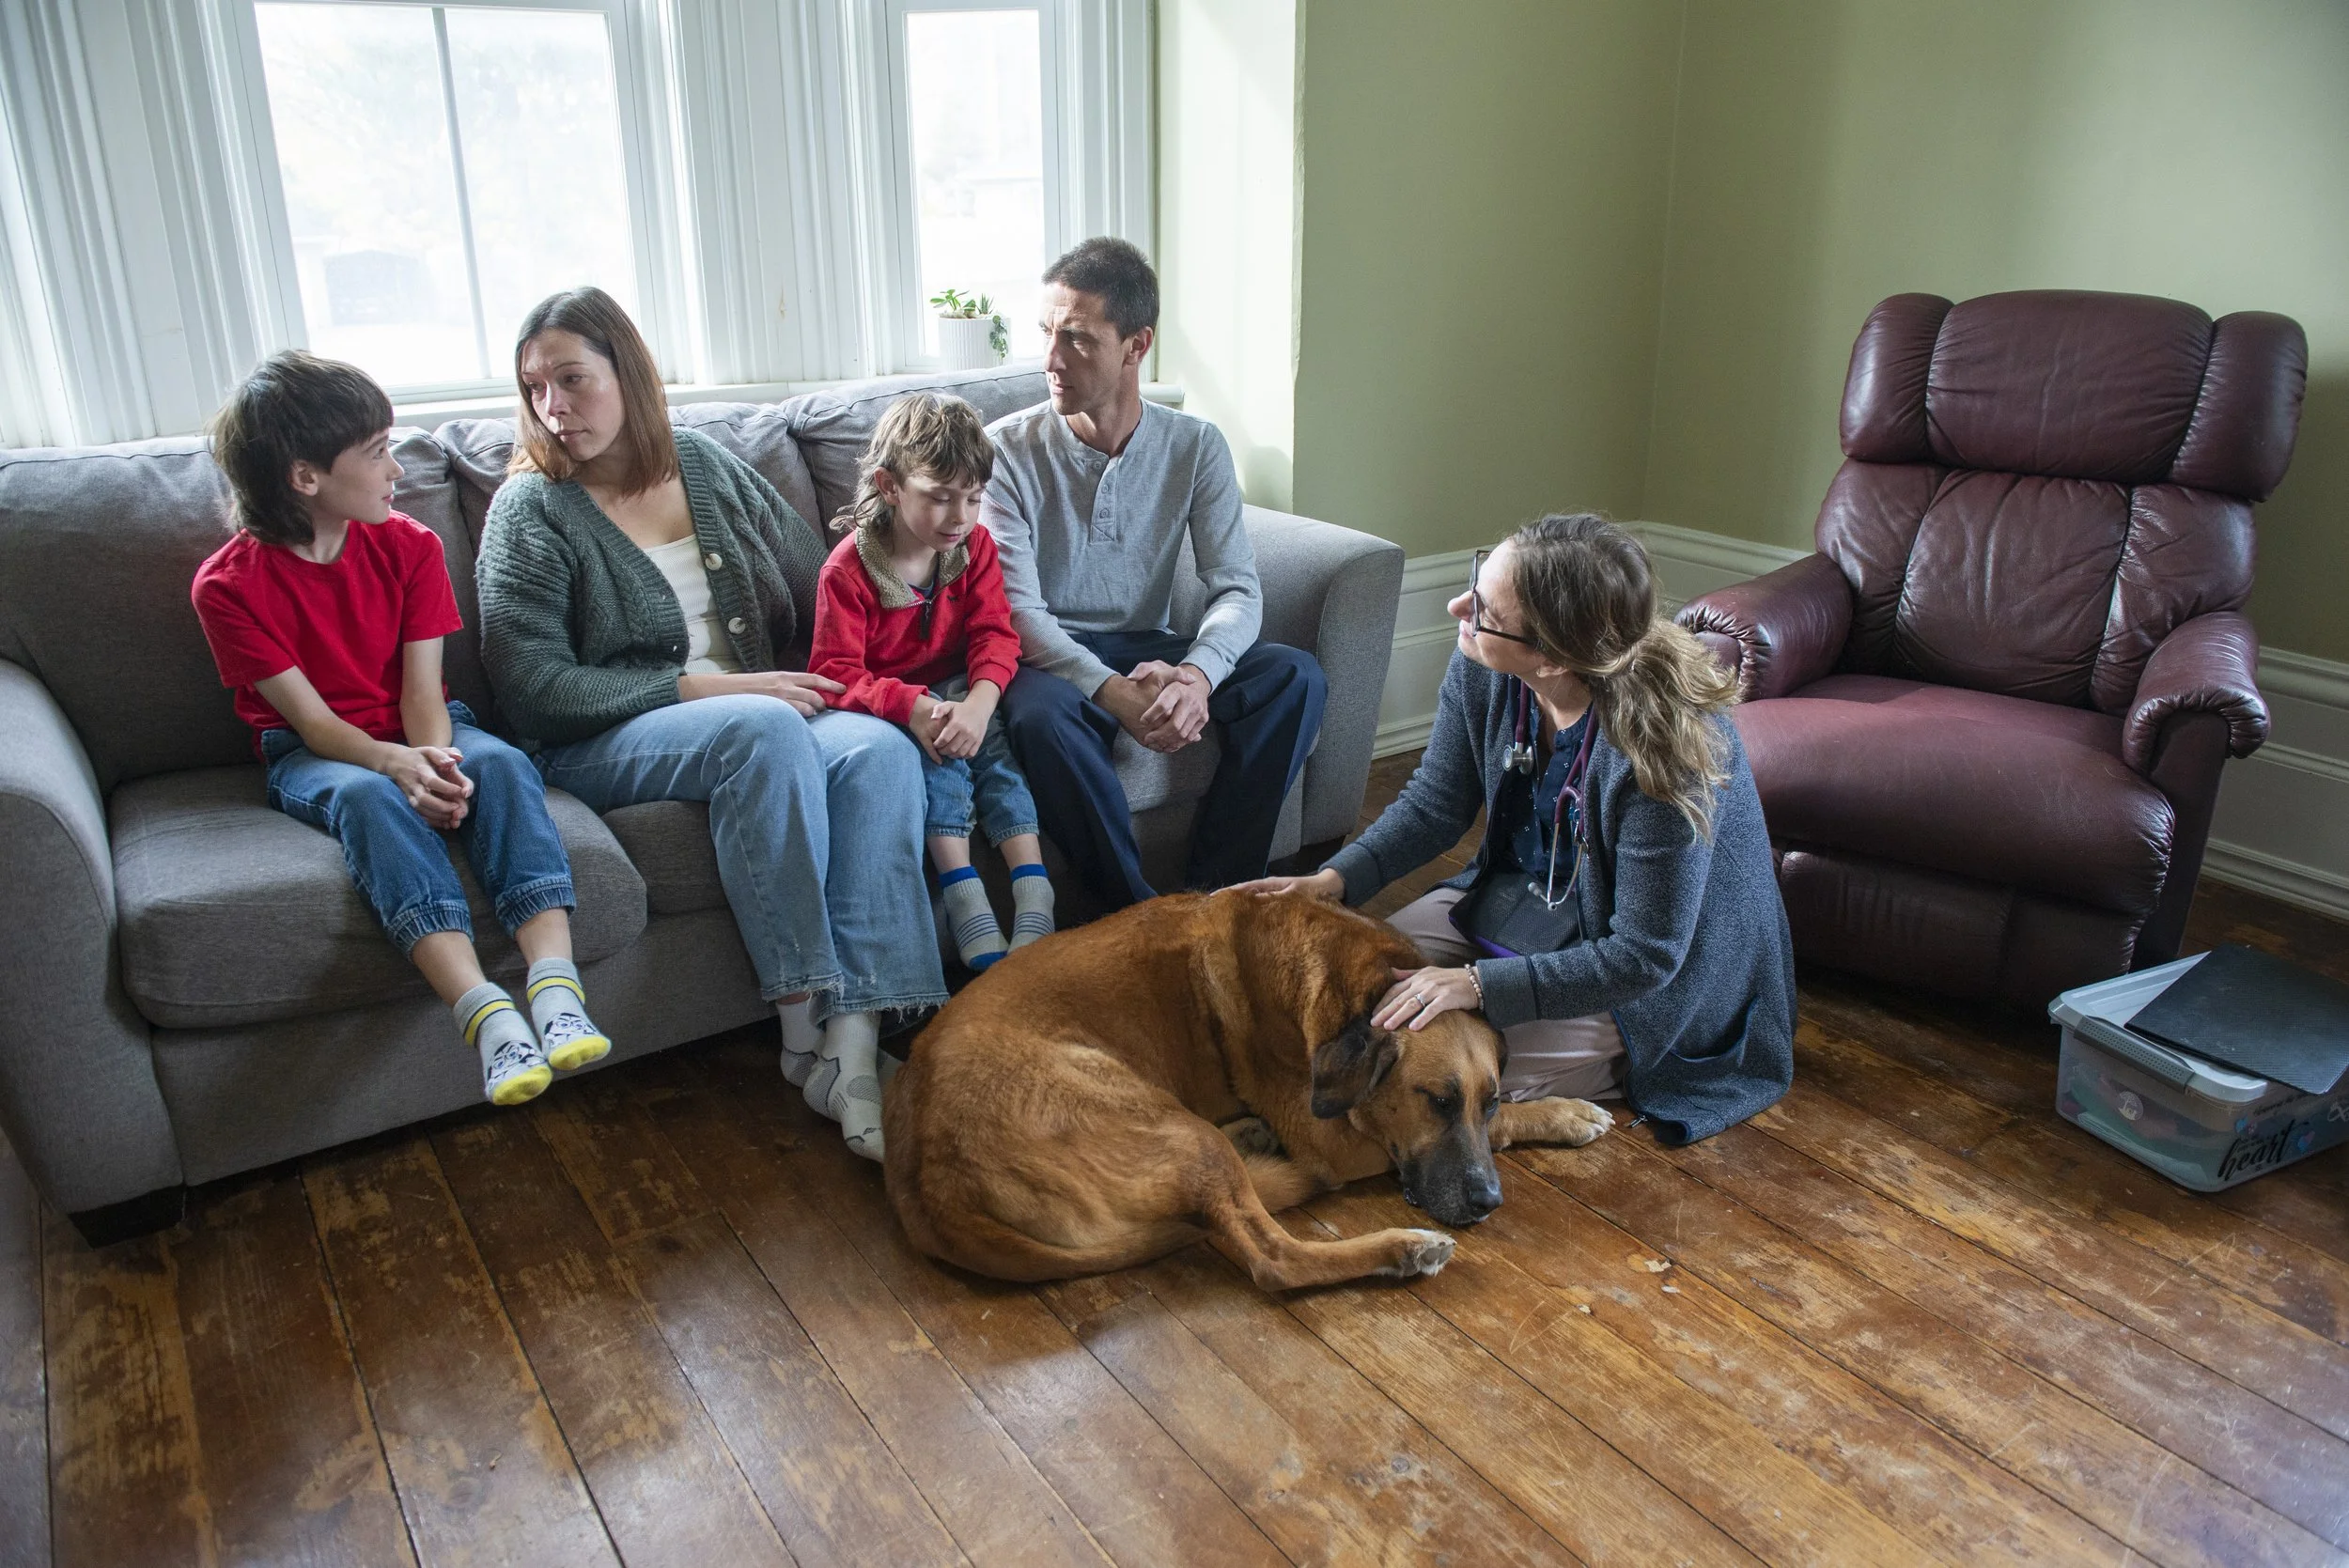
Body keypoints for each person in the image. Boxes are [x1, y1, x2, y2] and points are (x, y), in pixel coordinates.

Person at [474, 287, 943, 1161]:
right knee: (759, 730)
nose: (553, 406)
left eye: (572, 379)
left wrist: (922, 581)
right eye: (535, 387)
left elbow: (818, 581)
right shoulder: (528, 509)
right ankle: (804, 1032)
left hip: (761, 706)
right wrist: (710, 688)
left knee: (879, 750)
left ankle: (856, 1045)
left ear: (630, 373)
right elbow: (532, 687)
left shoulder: (702, 463)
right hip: (603, 739)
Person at [1236, 514, 1795, 1144]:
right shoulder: (1484, 667)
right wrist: (1334, 882)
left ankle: (1585, 1081)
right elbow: (1434, 805)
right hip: (1518, 903)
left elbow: (1646, 955)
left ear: (1553, 656)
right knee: (1355, 1004)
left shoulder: (1666, 753)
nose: (1457, 607)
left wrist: (1475, 985)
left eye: (1483, 609)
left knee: (1443, 1074)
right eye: (1476, 581)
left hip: (1645, 980)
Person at [192, 350, 608, 1108]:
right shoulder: (227, 587)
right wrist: (397, 769)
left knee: (502, 765)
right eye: (377, 452)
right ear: (304, 476)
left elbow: (423, 692)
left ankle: (555, 988)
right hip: (315, 750)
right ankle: (487, 1017)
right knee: (369, 799)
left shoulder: (412, 545)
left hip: (425, 724)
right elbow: (313, 722)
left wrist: (435, 760)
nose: (397, 470)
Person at [985, 237, 1327, 910]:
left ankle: (1217, 899)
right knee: (1037, 716)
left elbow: (1236, 587)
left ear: (1136, 346)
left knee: (1293, 677)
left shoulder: (1195, 446)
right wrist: (1111, 692)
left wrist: (1197, 675)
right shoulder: (1004, 452)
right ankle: (1136, 912)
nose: (1051, 359)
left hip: (1149, 643)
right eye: (1047, 333)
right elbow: (1018, 614)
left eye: (1077, 338)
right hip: (1048, 657)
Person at [810, 394, 1054, 971]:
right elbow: (833, 673)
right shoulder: (847, 571)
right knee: (938, 769)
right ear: (890, 486)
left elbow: (995, 635)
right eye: (940, 497)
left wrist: (980, 703)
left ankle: (1034, 891)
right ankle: (966, 898)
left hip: (963, 691)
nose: (960, 517)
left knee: (997, 759)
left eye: (973, 498)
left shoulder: (975, 547)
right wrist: (911, 707)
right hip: (895, 706)